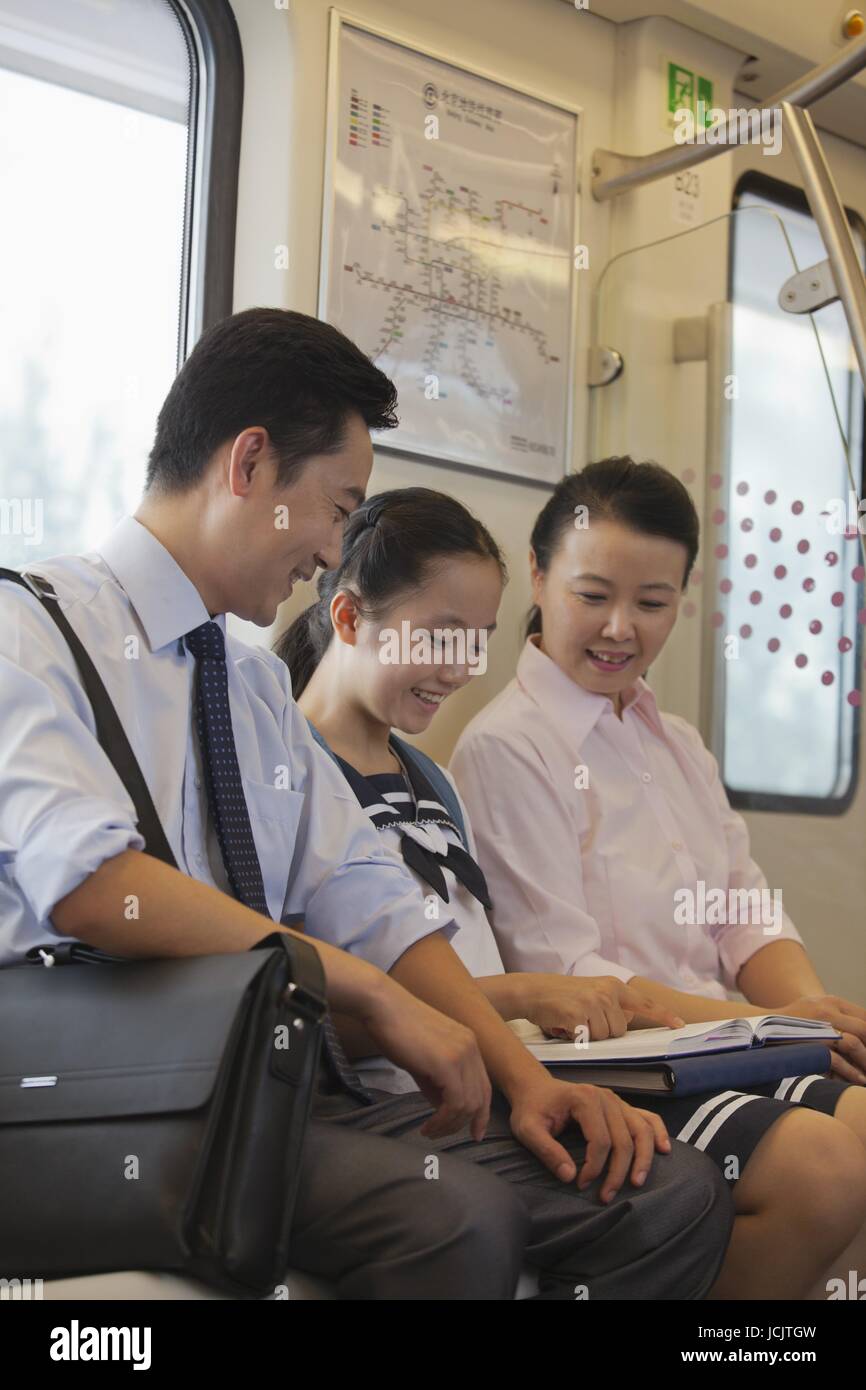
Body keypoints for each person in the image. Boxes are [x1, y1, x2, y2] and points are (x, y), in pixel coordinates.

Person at [0, 316, 733, 1300]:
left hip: (266, 1093)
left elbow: (373, 898)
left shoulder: (253, 692)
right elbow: (94, 885)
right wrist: (372, 997)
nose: (334, 547)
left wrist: (525, 1079)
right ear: (251, 463)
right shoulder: (28, 631)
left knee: (663, 1191)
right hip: (107, 1104)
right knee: (454, 1218)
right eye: (336, 507)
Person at [448, 456, 866, 1298]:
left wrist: (815, 1016)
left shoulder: (673, 739)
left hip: (725, 1043)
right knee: (826, 1169)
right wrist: (779, 1026)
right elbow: (572, 979)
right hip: (618, 1064)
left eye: (651, 603)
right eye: (593, 596)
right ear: (537, 573)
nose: (619, 629)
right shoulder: (509, 747)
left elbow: (742, 913)